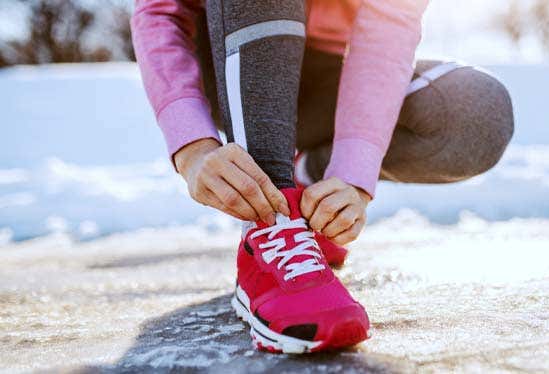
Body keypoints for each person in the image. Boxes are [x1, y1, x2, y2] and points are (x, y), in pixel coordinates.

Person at [131, 0, 513, 353]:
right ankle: (270, 229)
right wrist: (191, 145)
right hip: (231, 55)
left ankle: (307, 184)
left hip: (329, 75)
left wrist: (352, 176)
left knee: (477, 112)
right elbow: (159, 11)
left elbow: (389, 22)